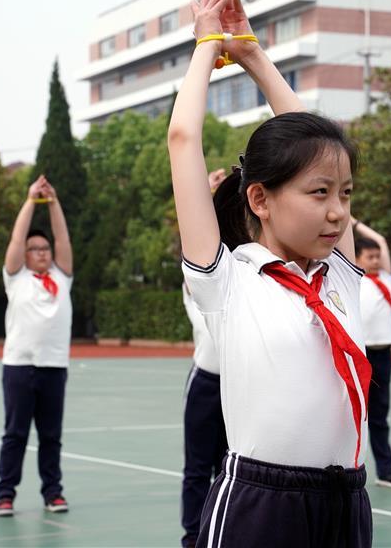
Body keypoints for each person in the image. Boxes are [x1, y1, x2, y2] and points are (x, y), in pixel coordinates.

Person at [168, 0, 372, 547]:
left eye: (345, 194)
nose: (337, 212)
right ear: (259, 198)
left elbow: (314, 138)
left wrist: (255, 56)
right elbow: (183, 139)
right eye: (318, 194)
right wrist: (208, 47)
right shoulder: (229, 281)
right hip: (259, 505)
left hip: (347, 501)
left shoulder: (341, 278)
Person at [0, 175, 74, 516]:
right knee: (15, 434)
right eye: (34, 249)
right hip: (19, 366)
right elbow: (16, 238)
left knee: (51, 436)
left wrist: (53, 202)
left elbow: (63, 238)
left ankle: (52, 492)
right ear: (25, 255)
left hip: (54, 367)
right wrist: (30, 200)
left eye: (44, 248)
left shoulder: (61, 277)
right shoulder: (16, 277)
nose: (41, 253)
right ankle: (5, 494)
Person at [180, 169, 229, 548]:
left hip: (239, 385)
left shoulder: (243, 274)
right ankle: (192, 537)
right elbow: (200, 240)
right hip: (207, 383)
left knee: (231, 470)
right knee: (198, 468)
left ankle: (225, 534)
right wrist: (211, 195)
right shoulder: (202, 282)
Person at [353, 219, 391, 489]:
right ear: (358, 259)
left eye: (377, 257)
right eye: (369, 257)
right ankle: (347, 468)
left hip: (383, 357)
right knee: (352, 416)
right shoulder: (355, 281)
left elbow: (382, 241)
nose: (375, 261)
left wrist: (356, 223)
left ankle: (385, 470)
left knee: (379, 416)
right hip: (361, 357)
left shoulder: (385, 278)